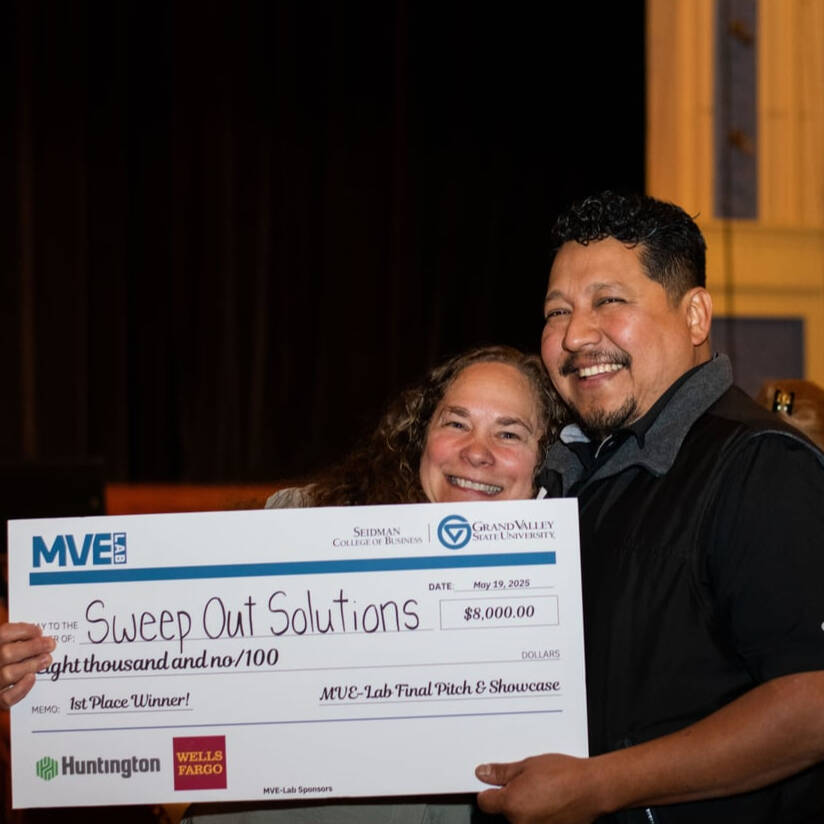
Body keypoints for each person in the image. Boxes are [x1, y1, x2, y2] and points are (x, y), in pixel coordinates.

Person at [0, 345, 564, 824]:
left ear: (546, 460)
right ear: (422, 437)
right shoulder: (298, 524)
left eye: (509, 433)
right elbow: (148, 681)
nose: (476, 451)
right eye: (456, 422)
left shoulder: (571, 600)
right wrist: (36, 675)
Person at [474, 192, 824, 823]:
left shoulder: (759, 466)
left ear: (695, 317)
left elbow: (813, 702)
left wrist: (601, 785)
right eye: (557, 311)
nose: (576, 335)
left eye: (609, 301)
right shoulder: (560, 472)